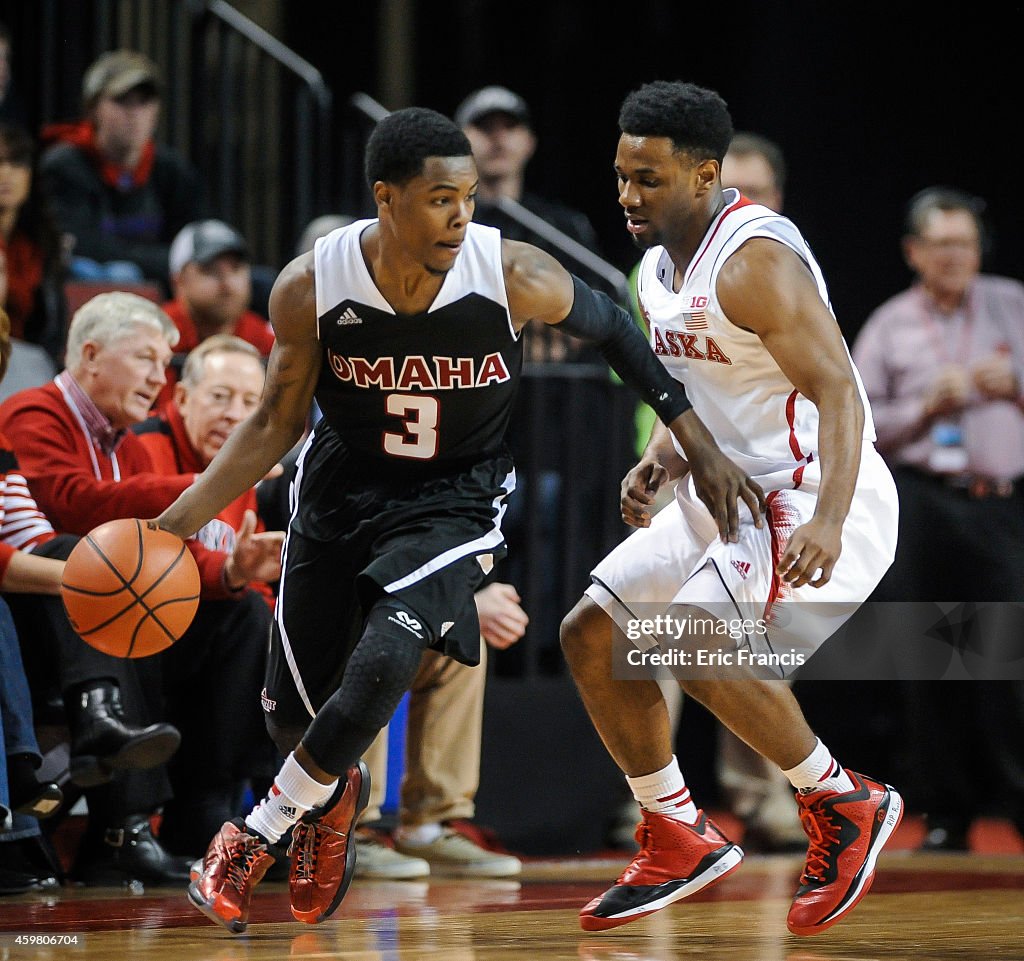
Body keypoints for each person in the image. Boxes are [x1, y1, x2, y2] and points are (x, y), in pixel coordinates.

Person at [154, 105, 760, 934]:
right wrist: (176, 521)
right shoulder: (311, 283)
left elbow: (617, 329)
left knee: (388, 655)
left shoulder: (510, 272)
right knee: (294, 715)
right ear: (387, 199)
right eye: (441, 198)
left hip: (455, 498)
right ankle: (333, 799)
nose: (462, 215)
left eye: (470, 196)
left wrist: (693, 441)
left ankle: (250, 835)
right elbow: (271, 423)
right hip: (340, 490)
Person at [558, 80, 903, 937]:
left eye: (648, 178)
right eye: (621, 175)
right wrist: (659, 458)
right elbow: (707, 395)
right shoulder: (653, 268)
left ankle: (844, 798)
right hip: (727, 492)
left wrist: (826, 517)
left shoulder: (755, 261)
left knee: (696, 647)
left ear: (706, 174)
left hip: (814, 489)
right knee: (591, 635)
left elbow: (838, 394)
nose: (628, 195)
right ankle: (674, 826)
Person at [0, 291, 283, 879]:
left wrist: (230, 575)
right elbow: (70, 504)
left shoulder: (123, 444)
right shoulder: (34, 412)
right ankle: (118, 816)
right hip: (31, 610)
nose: (158, 376)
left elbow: (159, 555)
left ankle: (202, 812)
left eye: (164, 364)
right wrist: (204, 486)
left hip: (95, 615)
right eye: (147, 359)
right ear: (92, 355)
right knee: (94, 561)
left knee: (243, 616)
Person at [852, 186, 1024, 850]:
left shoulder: (1011, 305)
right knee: (932, 659)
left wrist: (1014, 384)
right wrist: (923, 407)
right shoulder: (891, 322)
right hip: (922, 502)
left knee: (1006, 656)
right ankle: (945, 809)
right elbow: (859, 421)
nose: (955, 256)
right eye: (942, 244)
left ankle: (1014, 800)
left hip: (998, 503)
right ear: (913, 252)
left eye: (966, 243)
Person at [356, 579, 528, 879]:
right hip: (305, 621)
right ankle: (341, 832)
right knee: (367, 639)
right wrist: (463, 606)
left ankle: (426, 829)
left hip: (390, 606)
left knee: (458, 645)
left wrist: (460, 608)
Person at [39, 49, 205, 291]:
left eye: (144, 102)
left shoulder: (171, 168)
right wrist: (173, 262)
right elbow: (83, 245)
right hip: (96, 290)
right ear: (93, 108)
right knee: (120, 274)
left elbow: (198, 240)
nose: (135, 113)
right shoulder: (63, 166)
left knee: (256, 281)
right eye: (122, 101)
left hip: (166, 287)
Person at [155, 219, 274, 411]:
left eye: (236, 269)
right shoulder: (156, 338)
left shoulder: (264, 341)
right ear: (178, 281)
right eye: (210, 271)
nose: (227, 283)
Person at [0, 122, 67, 367]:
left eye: (17, 163)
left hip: (30, 360)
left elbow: (51, 326)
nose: (6, 173)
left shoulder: (41, 241)